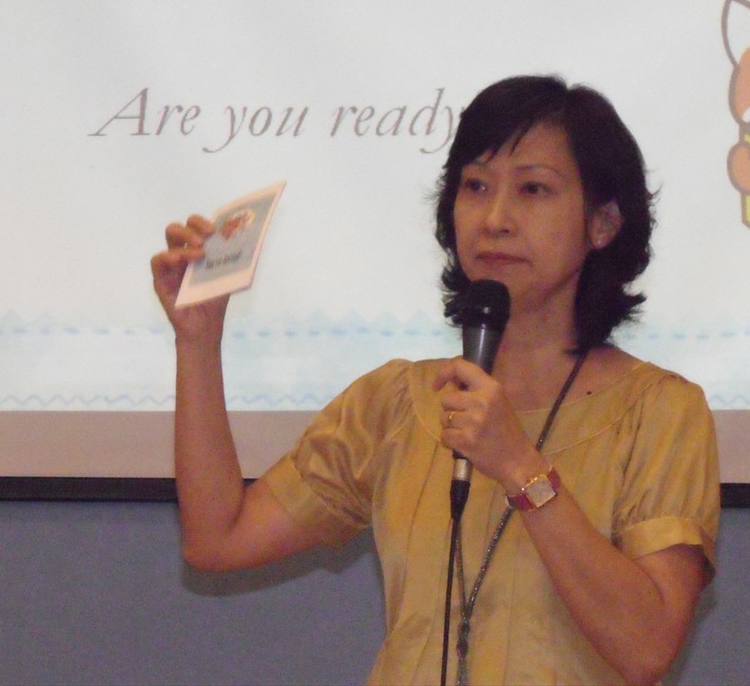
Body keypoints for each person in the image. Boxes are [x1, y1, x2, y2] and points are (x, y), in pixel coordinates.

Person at [151, 75, 720, 685]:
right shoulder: (397, 403)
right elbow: (218, 539)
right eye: (475, 186)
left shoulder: (660, 411)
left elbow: (646, 649)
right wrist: (198, 343)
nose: (495, 219)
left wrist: (520, 466)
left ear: (602, 223)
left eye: (532, 189)